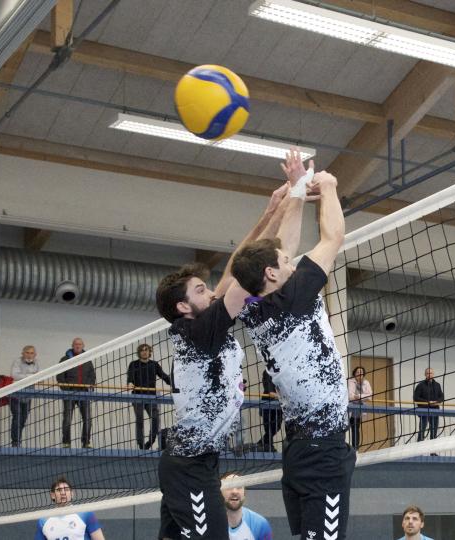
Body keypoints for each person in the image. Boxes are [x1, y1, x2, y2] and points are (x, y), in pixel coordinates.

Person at [155, 172, 296, 540]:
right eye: (202, 290)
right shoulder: (197, 332)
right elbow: (246, 275)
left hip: (195, 459)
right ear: (184, 306)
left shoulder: (204, 324)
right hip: (190, 464)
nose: (211, 292)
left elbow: (237, 266)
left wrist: (270, 211)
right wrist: (294, 198)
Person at [233, 157, 353, 540]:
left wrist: (298, 189)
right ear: (272, 274)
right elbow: (332, 237)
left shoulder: (251, 307)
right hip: (322, 453)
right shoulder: (295, 297)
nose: (291, 260)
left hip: (299, 449)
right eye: (286, 262)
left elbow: (279, 245)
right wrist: (329, 186)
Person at [126, 343, 172, 450]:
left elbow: (164, 376)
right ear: (139, 352)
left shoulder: (154, 364)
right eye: (142, 350)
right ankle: (141, 444)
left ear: (149, 352)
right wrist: (130, 383)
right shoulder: (134, 364)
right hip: (137, 396)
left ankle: (151, 440)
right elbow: (130, 377)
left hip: (151, 397)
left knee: (155, 418)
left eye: (146, 350)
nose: (144, 351)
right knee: (139, 420)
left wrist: (173, 384)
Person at [36, 477, 105, 540]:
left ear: (71, 494)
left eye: (66, 490)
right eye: (59, 490)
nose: (63, 493)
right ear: (53, 495)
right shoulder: (43, 520)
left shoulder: (86, 514)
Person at [57, 337, 95, 448]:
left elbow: (92, 376)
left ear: (83, 346)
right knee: (67, 419)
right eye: (76, 344)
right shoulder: (65, 359)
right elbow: (59, 376)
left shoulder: (87, 360)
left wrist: (89, 385)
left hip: (84, 393)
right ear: (72, 345)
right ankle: (66, 442)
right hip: (69, 393)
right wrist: (65, 390)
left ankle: (86, 442)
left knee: (87, 418)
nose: (78, 346)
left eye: (80, 344)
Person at [222, 472, 274, 540]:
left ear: (244, 493)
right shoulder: (208, 523)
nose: (235, 491)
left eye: (239, 487)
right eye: (229, 486)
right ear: (219, 492)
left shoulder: (261, 524)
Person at [10, 345, 39, 447]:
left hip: (28, 395)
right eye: (27, 352)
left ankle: (18, 439)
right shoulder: (17, 362)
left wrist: (30, 377)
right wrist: (30, 377)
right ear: (23, 353)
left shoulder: (36, 364)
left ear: (35, 354)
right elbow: (14, 375)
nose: (29, 355)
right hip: (16, 395)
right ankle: (15, 442)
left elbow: (38, 377)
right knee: (17, 418)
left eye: (32, 353)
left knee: (23, 418)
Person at [413, 368, 443, 442]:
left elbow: (442, 397)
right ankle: (419, 450)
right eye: (428, 373)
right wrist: (428, 402)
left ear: (433, 374)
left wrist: (436, 402)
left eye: (431, 373)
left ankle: (432, 452)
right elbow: (416, 398)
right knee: (422, 430)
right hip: (424, 410)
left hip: (435, 410)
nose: (430, 375)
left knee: (434, 431)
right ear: (425, 374)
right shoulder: (420, 385)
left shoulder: (437, 385)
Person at [255, 371, 282, 453]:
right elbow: (269, 389)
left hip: (278, 404)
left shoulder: (281, 371)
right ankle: (267, 444)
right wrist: (279, 395)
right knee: (269, 426)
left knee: (276, 426)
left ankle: (263, 443)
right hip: (268, 403)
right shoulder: (268, 372)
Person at [347, 366, 372, 449]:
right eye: (357, 372)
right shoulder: (350, 381)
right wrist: (358, 397)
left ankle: (355, 448)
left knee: (355, 428)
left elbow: (369, 396)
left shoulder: (366, 383)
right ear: (354, 373)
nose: (359, 373)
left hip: (359, 409)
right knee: (345, 428)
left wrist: (358, 396)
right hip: (350, 407)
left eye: (361, 372)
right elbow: (349, 396)